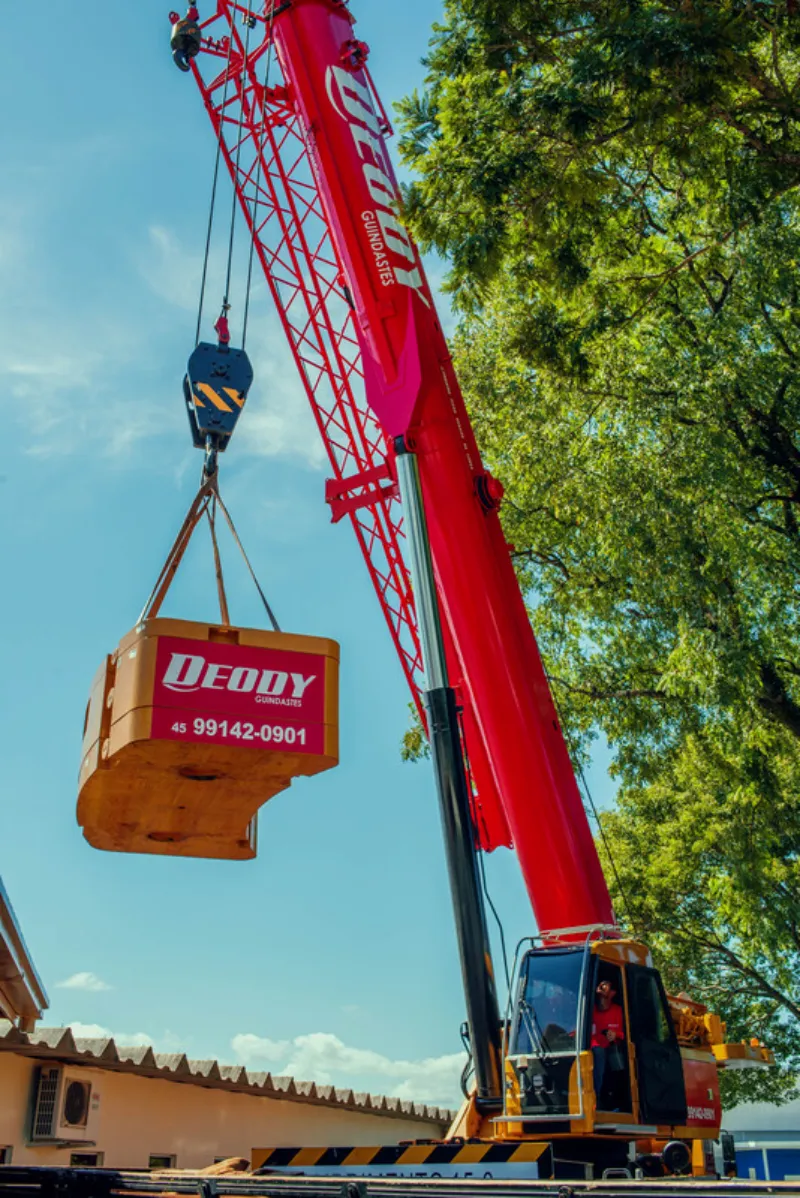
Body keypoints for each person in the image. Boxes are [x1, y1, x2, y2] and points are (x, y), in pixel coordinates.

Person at [591, 980, 625, 1105]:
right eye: (599, 985)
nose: (601, 988)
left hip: (611, 1050)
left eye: (605, 986)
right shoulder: (590, 1010)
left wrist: (616, 1035)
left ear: (612, 993)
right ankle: (595, 1097)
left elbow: (626, 1034)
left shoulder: (618, 1011)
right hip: (591, 1050)